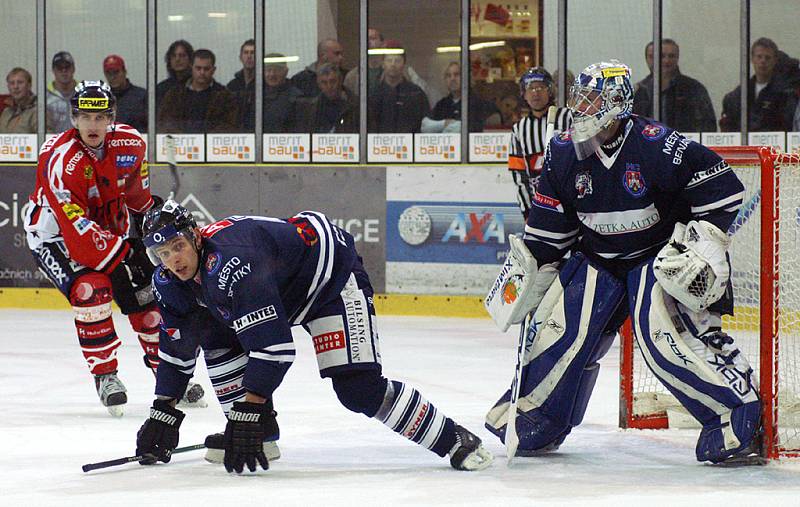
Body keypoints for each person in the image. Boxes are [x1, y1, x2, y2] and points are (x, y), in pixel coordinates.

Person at [484, 61, 762, 465]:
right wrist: (532, 272)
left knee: (663, 342)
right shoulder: (562, 151)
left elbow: (723, 189)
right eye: (578, 97)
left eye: (592, 98)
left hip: (657, 256)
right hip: (597, 256)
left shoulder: (656, 143)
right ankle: (537, 416)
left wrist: (704, 242)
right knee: (559, 333)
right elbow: (549, 231)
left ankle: (735, 416)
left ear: (617, 102)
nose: (580, 107)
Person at [133, 201, 494, 474]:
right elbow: (178, 348)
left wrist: (248, 409)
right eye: (162, 253)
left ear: (195, 236)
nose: (173, 261)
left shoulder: (233, 263)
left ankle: (454, 438)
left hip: (330, 283)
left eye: (178, 246)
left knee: (358, 390)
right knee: (212, 335)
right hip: (284, 291)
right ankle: (262, 434)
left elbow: (273, 349)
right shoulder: (170, 282)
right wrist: (162, 410)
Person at [22, 81, 205, 417]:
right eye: (87, 116)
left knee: (148, 298)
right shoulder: (61, 161)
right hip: (56, 237)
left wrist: (155, 220)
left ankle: (169, 375)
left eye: (101, 116)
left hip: (110, 232)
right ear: (74, 119)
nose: (94, 124)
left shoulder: (131, 144)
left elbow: (138, 201)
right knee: (92, 290)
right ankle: (105, 375)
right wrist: (125, 253)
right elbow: (75, 231)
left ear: (112, 118)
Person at [507, 67, 571, 219]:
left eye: (540, 87)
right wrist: (528, 212)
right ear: (523, 94)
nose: (535, 92)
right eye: (530, 88)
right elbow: (519, 176)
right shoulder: (518, 130)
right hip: (540, 209)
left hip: (572, 204)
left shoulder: (569, 118)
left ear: (549, 90)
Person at [633, 39, 716, 133]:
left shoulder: (694, 89)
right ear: (648, 59)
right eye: (661, 56)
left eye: (671, 56)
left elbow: (707, 127)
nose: (666, 61)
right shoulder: (638, 92)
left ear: (677, 58)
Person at [720, 38, 794, 132]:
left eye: (767, 57)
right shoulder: (737, 96)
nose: (763, 61)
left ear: (775, 60)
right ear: (752, 59)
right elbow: (728, 128)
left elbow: (788, 126)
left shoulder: (785, 95)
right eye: (759, 57)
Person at [158, 49, 239, 133]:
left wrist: (205, 139)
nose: (202, 72)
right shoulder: (175, 94)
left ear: (213, 70)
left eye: (206, 69)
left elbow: (229, 125)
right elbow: (165, 122)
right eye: (198, 68)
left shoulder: (224, 96)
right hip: (180, 143)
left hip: (211, 144)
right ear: (191, 67)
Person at [421, 62, 501, 133]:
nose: (452, 79)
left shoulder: (480, 104)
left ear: (466, 77)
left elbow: (495, 122)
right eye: (448, 75)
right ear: (445, 80)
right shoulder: (441, 106)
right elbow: (425, 127)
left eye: (456, 74)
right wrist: (444, 123)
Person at [368, 46, 429, 133]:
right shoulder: (373, 95)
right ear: (383, 64)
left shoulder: (416, 93)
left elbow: (425, 125)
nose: (393, 64)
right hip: (378, 145)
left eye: (397, 61)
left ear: (404, 64)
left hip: (411, 145)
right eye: (389, 60)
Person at [294, 63, 357, 133]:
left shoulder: (355, 106)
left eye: (332, 81)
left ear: (340, 81)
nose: (329, 86)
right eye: (324, 83)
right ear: (319, 84)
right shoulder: (312, 109)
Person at [103, 54, 147, 132]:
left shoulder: (141, 96)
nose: (112, 77)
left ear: (124, 72)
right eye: (108, 73)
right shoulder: (102, 97)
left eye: (116, 72)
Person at [343, 27, 384, 96]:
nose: (368, 42)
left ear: (382, 43)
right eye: (365, 39)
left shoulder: (391, 71)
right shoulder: (352, 76)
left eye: (373, 38)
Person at [46, 51, 78, 133]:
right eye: (59, 68)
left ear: (73, 69)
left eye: (67, 67)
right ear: (53, 70)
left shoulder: (83, 93)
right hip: (54, 142)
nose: (64, 71)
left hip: (79, 143)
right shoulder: (44, 97)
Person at [156, 40, 194, 106]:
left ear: (191, 59)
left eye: (182, 55)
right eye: (173, 56)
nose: (177, 59)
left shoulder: (198, 85)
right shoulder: (161, 88)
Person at [0, 67, 37, 133]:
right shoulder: (6, 112)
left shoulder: (39, 112)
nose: (16, 87)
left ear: (29, 85)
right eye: (12, 83)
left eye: (20, 82)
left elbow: (47, 141)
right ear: (8, 87)